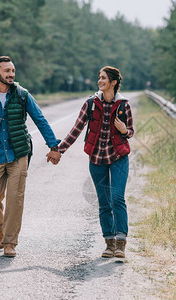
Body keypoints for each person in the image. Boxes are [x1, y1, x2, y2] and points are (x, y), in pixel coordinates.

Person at [0, 56, 61, 257]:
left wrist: (54, 146)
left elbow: (40, 119)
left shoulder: (23, 95)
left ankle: (10, 242)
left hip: (18, 153)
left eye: (13, 71)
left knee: (15, 199)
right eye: (6, 71)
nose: (11, 74)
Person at [54, 66, 134, 258]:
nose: (100, 81)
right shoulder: (91, 103)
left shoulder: (124, 105)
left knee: (117, 198)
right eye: (99, 77)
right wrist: (60, 150)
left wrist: (124, 130)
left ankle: (121, 243)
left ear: (113, 82)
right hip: (97, 158)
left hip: (118, 157)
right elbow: (76, 129)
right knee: (104, 201)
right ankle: (109, 242)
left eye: (104, 78)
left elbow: (130, 132)